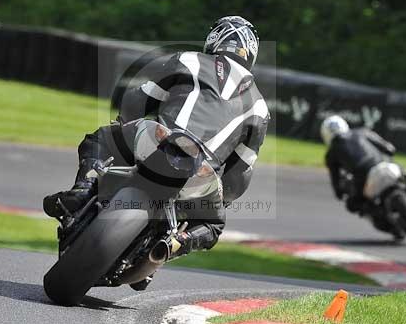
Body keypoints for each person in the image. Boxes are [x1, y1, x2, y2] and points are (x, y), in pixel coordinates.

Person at [43, 16, 269, 262]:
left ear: (215, 39)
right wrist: (222, 199)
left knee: (99, 140)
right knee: (213, 226)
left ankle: (82, 190)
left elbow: (136, 102)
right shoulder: (260, 107)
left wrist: (124, 126)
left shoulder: (188, 59)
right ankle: (175, 244)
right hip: (203, 171)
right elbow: (241, 174)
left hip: (160, 139)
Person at [321, 115, 406, 215]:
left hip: (363, 179)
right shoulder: (362, 131)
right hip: (385, 166)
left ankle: (382, 217)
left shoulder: (330, 154)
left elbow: (336, 184)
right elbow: (390, 149)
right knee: (405, 173)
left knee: (352, 205)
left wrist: (341, 192)